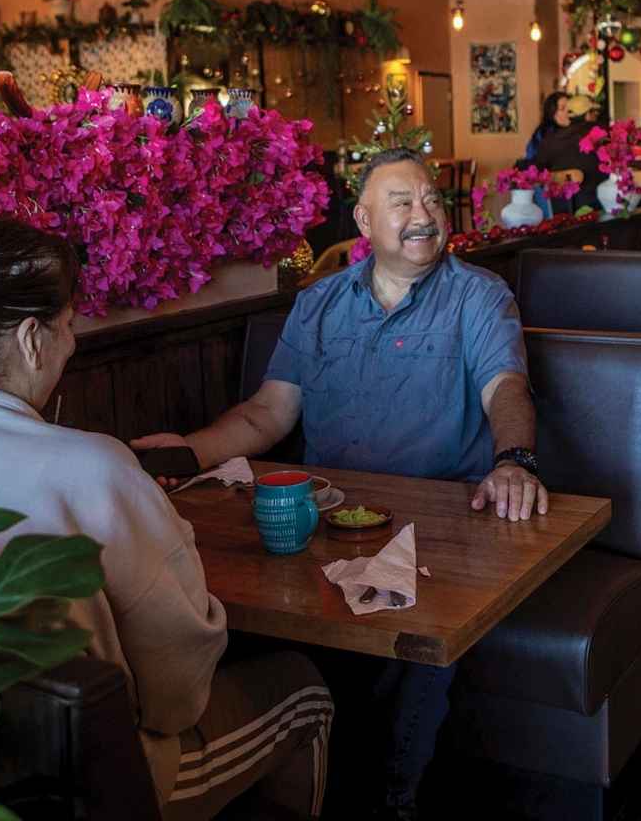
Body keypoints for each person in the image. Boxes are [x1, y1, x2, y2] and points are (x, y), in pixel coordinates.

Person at [0, 216, 331, 821]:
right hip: (76, 789)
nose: (72, 344)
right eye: (70, 325)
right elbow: (179, 697)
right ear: (31, 339)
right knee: (304, 690)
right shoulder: (92, 468)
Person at [140, 147, 543, 821]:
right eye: (403, 203)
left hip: (441, 524)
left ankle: (391, 804)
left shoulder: (478, 294)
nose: (423, 216)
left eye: (432, 202)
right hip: (332, 521)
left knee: (414, 633)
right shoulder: (319, 303)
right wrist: (184, 453)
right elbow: (268, 414)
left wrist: (516, 460)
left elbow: (508, 386)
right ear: (362, 219)